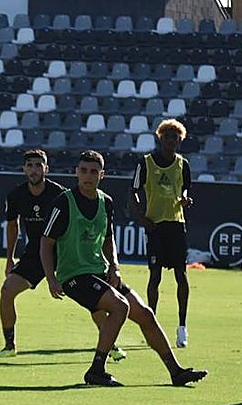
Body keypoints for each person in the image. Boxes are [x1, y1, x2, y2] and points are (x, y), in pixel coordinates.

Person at [42, 150, 206, 388]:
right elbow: (46, 243)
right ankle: (97, 369)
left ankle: (175, 371)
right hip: (74, 276)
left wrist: (115, 267)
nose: (88, 176)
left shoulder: (105, 202)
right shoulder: (64, 202)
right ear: (76, 173)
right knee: (120, 307)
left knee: (146, 315)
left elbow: (108, 238)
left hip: (99, 272)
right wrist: (51, 279)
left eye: (94, 172)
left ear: (102, 175)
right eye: (84, 171)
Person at [0, 148, 68, 355]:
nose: (34, 170)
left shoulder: (60, 195)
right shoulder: (16, 195)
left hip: (62, 253)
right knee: (7, 291)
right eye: (30, 166)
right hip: (35, 254)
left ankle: (110, 344)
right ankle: (10, 346)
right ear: (24, 169)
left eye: (38, 165)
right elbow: (12, 225)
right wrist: (9, 258)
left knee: (88, 296)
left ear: (46, 169)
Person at [131, 118, 193, 347]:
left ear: (180, 139)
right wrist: (142, 217)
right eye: (166, 136)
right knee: (154, 276)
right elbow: (134, 190)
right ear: (160, 138)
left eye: (174, 136)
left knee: (181, 275)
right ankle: (152, 323)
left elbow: (186, 187)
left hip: (176, 224)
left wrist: (186, 198)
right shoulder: (146, 163)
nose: (170, 140)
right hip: (156, 226)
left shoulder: (183, 164)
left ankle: (182, 327)